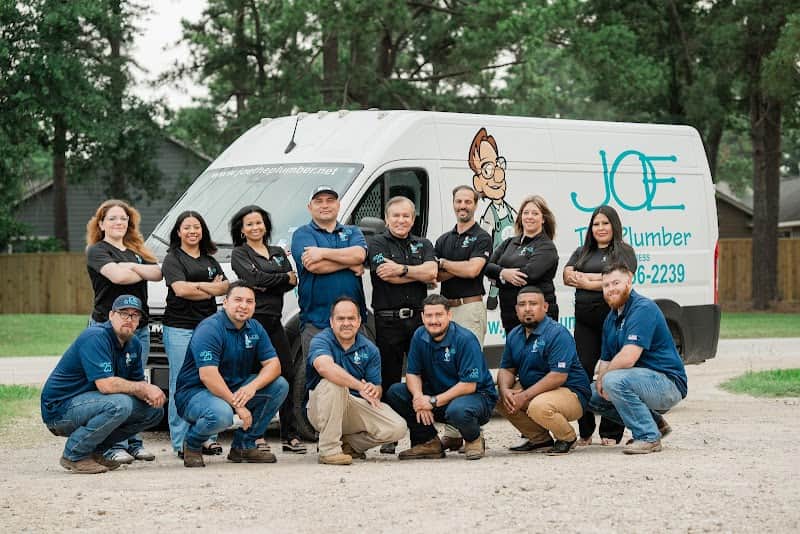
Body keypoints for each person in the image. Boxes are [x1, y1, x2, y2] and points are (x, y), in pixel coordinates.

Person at [41, 295, 165, 474]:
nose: (129, 319)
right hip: (60, 410)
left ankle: (96, 452)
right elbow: (106, 386)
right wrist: (145, 387)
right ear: (111, 315)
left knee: (153, 410)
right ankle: (74, 454)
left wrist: (155, 394)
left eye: (135, 315)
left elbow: (136, 384)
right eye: (124, 314)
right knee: (120, 403)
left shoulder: (135, 343)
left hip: (93, 404)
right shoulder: (96, 336)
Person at [173, 282, 289, 467]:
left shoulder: (255, 327)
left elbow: (274, 365)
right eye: (238, 300)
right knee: (222, 415)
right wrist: (239, 406)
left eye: (249, 301)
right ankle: (193, 444)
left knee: (279, 385)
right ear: (225, 302)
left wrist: (252, 387)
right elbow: (208, 376)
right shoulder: (210, 328)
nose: (244, 305)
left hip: (234, 387)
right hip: (196, 392)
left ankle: (243, 446)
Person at [85, 199, 163, 464]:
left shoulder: (137, 250)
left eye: (123, 218)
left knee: (137, 383)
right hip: (107, 330)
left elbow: (157, 273)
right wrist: (134, 270)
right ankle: (112, 445)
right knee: (115, 388)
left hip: (137, 330)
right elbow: (117, 278)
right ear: (102, 223)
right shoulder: (96, 250)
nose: (119, 223)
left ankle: (134, 442)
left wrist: (130, 267)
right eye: (113, 218)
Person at [589, 263, 688, 454]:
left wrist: (604, 379)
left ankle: (648, 437)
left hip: (667, 383)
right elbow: (606, 360)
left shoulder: (643, 308)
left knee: (613, 380)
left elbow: (628, 358)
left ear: (629, 281)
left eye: (616, 283)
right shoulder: (611, 318)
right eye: (606, 285)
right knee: (589, 394)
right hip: (637, 380)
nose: (611, 289)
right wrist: (600, 381)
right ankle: (655, 424)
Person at [385, 295, 498, 461]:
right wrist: (418, 398)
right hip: (440, 395)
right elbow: (412, 373)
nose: (433, 320)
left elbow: (469, 385)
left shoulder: (465, 339)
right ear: (422, 317)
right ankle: (429, 442)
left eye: (439, 315)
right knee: (396, 392)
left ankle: (473, 439)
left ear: (449, 315)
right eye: (429, 316)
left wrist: (431, 401)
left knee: (458, 410)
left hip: (475, 398)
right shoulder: (419, 335)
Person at [231, 205, 305, 454]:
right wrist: (280, 278)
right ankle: (256, 434)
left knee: (288, 374)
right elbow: (254, 281)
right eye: (249, 224)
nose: (255, 227)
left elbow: (292, 279)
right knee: (256, 377)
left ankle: (290, 434)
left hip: (275, 322)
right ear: (242, 230)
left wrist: (274, 279)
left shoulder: (276, 252)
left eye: (259, 223)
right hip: (252, 324)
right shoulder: (239, 254)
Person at [367, 196, 437, 454]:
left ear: (413, 218)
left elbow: (432, 273)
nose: (401, 220)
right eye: (396, 216)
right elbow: (384, 274)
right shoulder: (376, 243)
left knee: (422, 376)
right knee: (388, 378)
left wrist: (403, 270)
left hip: (419, 320)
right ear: (387, 219)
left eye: (406, 216)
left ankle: (423, 437)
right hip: (388, 321)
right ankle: (390, 434)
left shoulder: (423, 243)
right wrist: (415, 273)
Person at [564, 205, 637, 447]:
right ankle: (585, 429)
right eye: (596, 224)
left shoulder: (624, 251)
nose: (600, 228)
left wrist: (586, 279)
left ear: (614, 225)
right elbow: (567, 275)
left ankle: (611, 431)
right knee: (580, 373)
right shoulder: (582, 251)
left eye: (605, 223)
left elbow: (620, 279)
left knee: (613, 374)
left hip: (613, 320)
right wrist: (600, 278)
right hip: (585, 321)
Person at [306, 297, 407, 465]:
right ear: (331, 322)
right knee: (334, 383)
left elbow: (377, 386)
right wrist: (359, 385)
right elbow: (325, 367)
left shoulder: (370, 349)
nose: (346, 323)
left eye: (351, 318)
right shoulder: (321, 340)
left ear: (359, 321)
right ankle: (328, 450)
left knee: (397, 427)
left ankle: (349, 445)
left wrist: (373, 390)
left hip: (353, 405)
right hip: (321, 408)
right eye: (341, 318)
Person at [162, 211, 229, 458]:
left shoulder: (210, 260)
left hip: (207, 329)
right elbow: (179, 290)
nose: (192, 231)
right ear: (178, 232)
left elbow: (225, 288)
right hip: (179, 327)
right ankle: (181, 442)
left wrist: (199, 287)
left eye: (197, 227)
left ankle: (206, 438)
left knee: (209, 379)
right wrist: (210, 288)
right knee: (180, 382)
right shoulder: (173, 259)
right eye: (187, 227)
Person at [496, 287, 591, 455]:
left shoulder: (557, 333)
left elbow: (558, 376)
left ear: (545, 307)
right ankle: (540, 440)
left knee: (539, 406)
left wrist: (523, 396)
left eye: (533, 304)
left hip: (571, 393)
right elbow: (507, 368)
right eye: (522, 304)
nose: (527, 308)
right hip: (535, 391)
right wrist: (505, 391)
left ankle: (567, 438)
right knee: (497, 396)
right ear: (516, 309)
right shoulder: (514, 335)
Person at [434, 185, 492, 452]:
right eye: (459, 201)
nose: (463, 206)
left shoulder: (482, 237)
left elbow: (473, 270)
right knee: (448, 368)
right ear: (453, 203)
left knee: (469, 368)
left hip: (470, 309)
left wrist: (446, 264)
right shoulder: (444, 240)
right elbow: (435, 276)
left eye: (468, 201)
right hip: (448, 310)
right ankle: (453, 433)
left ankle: (473, 431)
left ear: (475, 205)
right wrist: (450, 266)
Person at [290, 185, 368, 367]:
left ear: (338, 205)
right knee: (320, 381)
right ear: (310, 207)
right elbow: (314, 266)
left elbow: (359, 254)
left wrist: (322, 252)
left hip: (354, 322)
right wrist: (350, 262)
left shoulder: (352, 231)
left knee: (357, 378)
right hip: (317, 323)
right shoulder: (302, 234)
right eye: (319, 201)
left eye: (330, 200)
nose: (325, 205)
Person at [485, 195, 559, 334]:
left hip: (537, 316)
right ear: (520, 217)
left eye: (535, 213)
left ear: (543, 219)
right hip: (510, 313)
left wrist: (498, 276)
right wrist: (503, 273)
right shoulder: (509, 242)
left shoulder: (546, 246)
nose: (529, 217)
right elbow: (487, 266)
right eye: (526, 213)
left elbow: (528, 275)